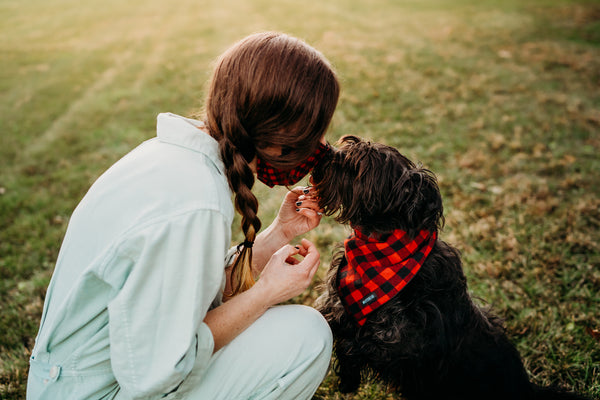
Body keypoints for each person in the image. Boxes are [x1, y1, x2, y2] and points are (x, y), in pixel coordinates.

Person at [27, 32, 340, 400]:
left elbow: (191, 292)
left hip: (73, 380)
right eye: (309, 135)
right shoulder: (195, 203)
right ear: (275, 135)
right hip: (97, 391)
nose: (316, 147)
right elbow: (162, 371)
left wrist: (278, 234)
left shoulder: (169, 158)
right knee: (305, 336)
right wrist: (266, 293)